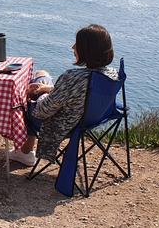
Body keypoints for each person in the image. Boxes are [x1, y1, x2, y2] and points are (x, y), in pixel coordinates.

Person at [7, 24, 119, 167]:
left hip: (61, 126)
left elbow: (42, 111)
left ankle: (24, 152)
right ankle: (25, 152)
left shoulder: (73, 77)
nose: (73, 47)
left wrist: (36, 94)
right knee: (42, 75)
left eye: (77, 44)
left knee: (22, 102)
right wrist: (48, 89)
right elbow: (81, 94)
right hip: (90, 121)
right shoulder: (112, 74)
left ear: (87, 50)